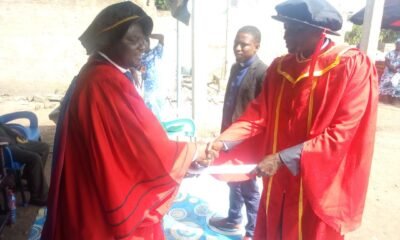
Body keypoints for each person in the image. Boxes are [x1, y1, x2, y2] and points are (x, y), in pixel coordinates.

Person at [201, 0, 378, 239]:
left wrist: (283, 158)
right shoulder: (280, 67)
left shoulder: (350, 65)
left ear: (319, 32)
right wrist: (222, 142)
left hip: (316, 180)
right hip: (278, 180)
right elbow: (258, 115)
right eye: (286, 26)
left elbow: (342, 132)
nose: (286, 34)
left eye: (295, 29)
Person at [41, 2, 197, 239]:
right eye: (133, 40)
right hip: (98, 199)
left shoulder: (96, 73)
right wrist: (191, 153)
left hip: (87, 183)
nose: (144, 45)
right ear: (108, 42)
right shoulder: (107, 84)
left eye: (144, 37)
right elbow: (144, 144)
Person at [208, 26, 266, 240]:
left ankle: (252, 232)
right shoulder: (235, 67)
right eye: (236, 43)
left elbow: (262, 112)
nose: (238, 48)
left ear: (257, 46)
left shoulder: (262, 72)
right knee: (232, 178)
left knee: (248, 184)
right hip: (229, 135)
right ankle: (233, 219)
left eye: (244, 44)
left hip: (247, 139)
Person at [0, 123, 49, 206]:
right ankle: (36, 197)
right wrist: (7, 140)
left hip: (15, 142)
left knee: (44, 147)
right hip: (5, 149)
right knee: (34, 158)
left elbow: (3, 126)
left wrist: (15, 133)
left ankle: (28, 179)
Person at [141, 33, 165, 119]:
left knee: (160, 115)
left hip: (158, 89)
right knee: (149, 116)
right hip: (148, 91)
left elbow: (161, 37)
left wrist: (148, 34)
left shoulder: (156, 52)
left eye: (144, 42)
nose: (142, 46)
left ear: (148, 42)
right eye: (141, 43)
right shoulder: (140, 58)